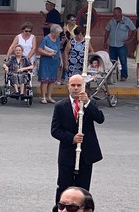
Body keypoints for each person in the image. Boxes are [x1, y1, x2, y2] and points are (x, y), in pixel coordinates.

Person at [51, 74, 104, 212]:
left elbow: (100, 118)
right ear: (68, 86)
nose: (75, 88)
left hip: (86, 154)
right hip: (67, 154)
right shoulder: (60, 106)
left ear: (83, 87)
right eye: (73, 85)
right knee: (63, 186)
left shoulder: (88, 104)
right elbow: (55, 130)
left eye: (78, 85)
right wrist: (72, 138)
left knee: (83, 188)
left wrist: (87, 103)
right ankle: (61, 209)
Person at [103, 7, 135, 82]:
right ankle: (113, 75)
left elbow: (134, 30)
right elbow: (107, 31)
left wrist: (129, 39)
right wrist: (105, 42)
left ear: (120, 13)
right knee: (112, 61)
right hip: (112, 44)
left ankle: (124, 75)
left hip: (122, 45)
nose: (114, 14)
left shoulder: (127, 21)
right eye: (113, 13)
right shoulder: (111, 21)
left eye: (115, 13)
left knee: (123, 61)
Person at [38, 24, 63, 104]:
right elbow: (40, 49)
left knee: (52, 80)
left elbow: (58, 50)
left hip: (54, 61)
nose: (58, 35)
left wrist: (61, 60)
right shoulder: (45, 39)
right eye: (57, 33)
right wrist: (49, 54)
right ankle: (43, 97)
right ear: (53, 32)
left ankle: (49, 96)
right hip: (46, 61)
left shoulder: (58, 39)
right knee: (45, 79)